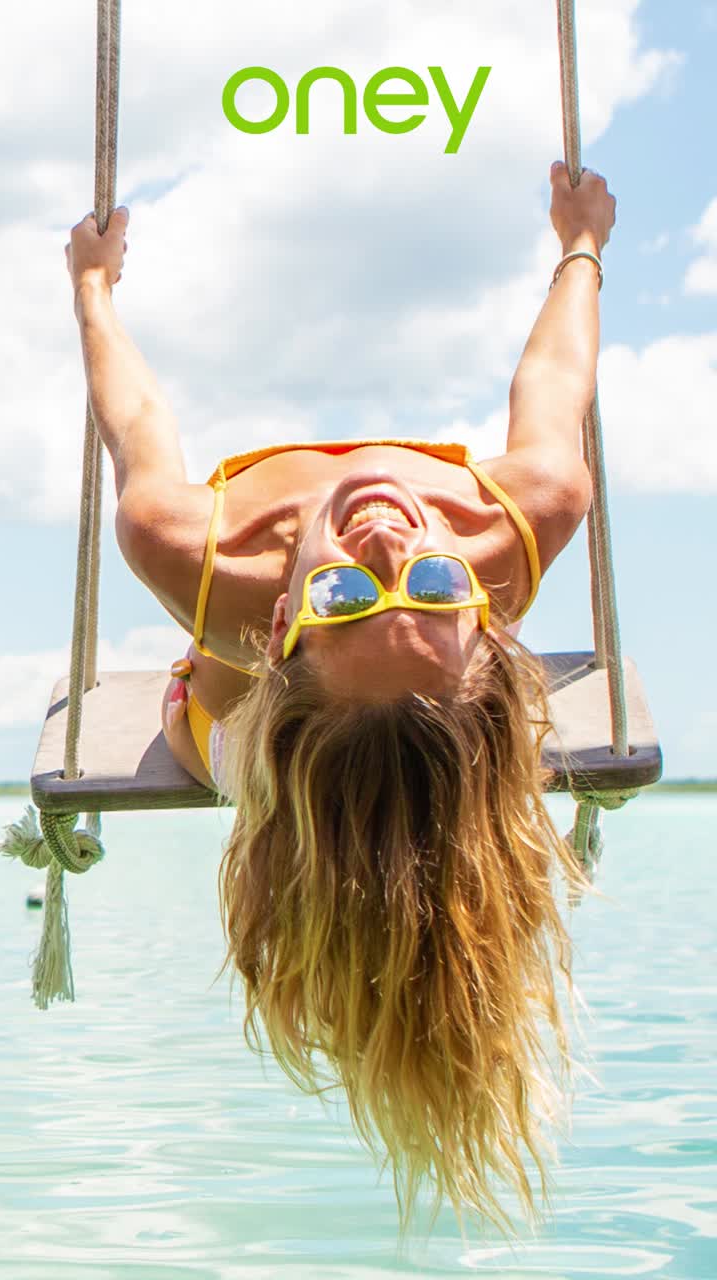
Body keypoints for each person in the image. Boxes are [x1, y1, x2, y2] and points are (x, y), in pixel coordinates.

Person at [66, 160, 615, 1235]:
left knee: (253, 767)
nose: (388, 541)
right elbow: (555, 384)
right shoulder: (509, 524)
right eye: (430, 586)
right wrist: (581, 244)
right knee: (406, 753)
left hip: (232, 718)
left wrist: (92, 285)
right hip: (367, 681)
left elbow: (136, 422)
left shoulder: (207, 560)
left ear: (285, 626)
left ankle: (305, 795)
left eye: (347, 595)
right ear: (489, 618)